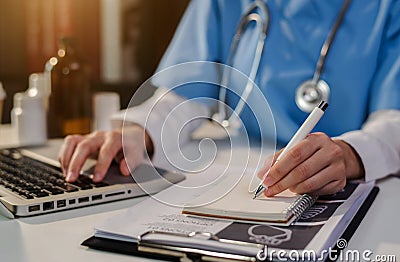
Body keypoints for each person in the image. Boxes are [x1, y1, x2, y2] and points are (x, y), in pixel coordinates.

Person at [59, 0, 400, 197]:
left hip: (340, 189)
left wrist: (349, 153)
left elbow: (393, 121)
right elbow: (186, 91)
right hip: (233, 174)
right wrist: (140, 131)